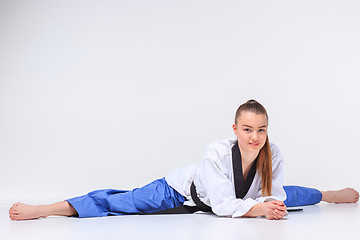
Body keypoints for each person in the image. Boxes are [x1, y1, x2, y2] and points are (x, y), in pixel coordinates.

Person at [9, 100, 359, 221]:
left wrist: (272, 206)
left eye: (262, 130)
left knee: (294, 197)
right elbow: (223, 206)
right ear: (235, 128)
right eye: (248, 129)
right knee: (121, 203)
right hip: (181, 192)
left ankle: (328, 194)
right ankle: (48, 208)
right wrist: (260, 210)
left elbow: (274, 193)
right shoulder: (217, 152)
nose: (255, 137)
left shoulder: (274, 153)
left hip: (244, 201)